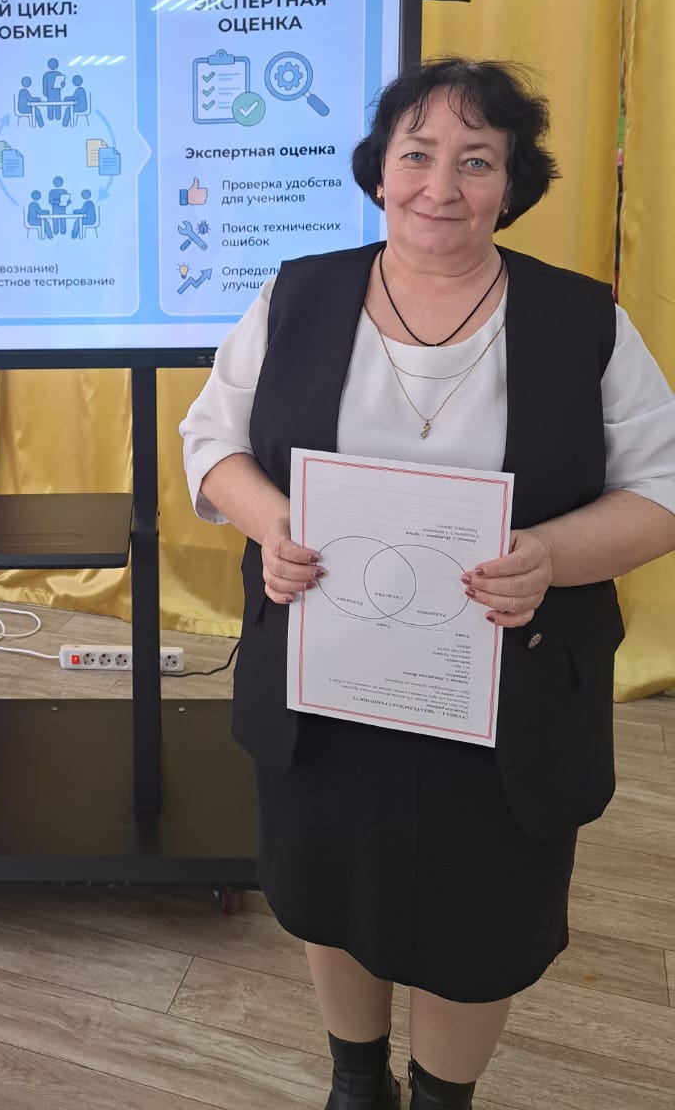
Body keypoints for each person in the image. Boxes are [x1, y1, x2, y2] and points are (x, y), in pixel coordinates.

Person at [180, 59, 675, 1110]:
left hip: (508, 692)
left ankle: (445, 1097)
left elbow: (663, 491)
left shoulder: (581, 321)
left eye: (476, 161)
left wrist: (554, 556)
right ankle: (356, 1082)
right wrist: (273, 523)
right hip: (327, 676)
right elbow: (211, 442)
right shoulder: (297, 295)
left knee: (483, 913)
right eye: (417, 155)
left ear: (512, 183)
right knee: (331, 886)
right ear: (379, 170)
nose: (440, 187)